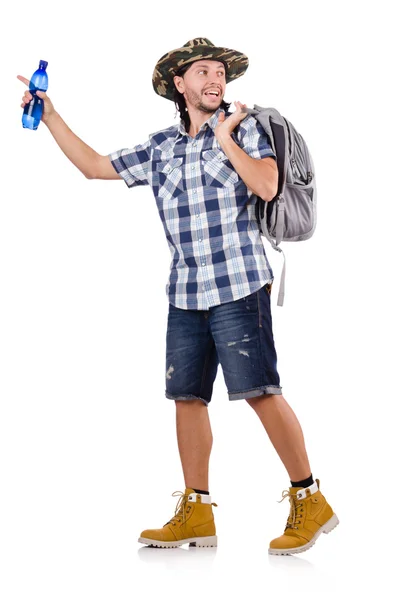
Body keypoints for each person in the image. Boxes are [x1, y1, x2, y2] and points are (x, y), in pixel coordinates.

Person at [17, 37, 338, 556]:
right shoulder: (162, 146)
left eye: (221, 73)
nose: (216, 80)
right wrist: (52, 116)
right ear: (179, 84)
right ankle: (196, 511)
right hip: (185, 290)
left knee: (259, 389)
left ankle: (310, 497)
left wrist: (227, 137)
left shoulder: (247, 127)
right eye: (204, 72)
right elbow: (96, 166)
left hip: (238, 282)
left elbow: (267, 186)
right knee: (186, 397)